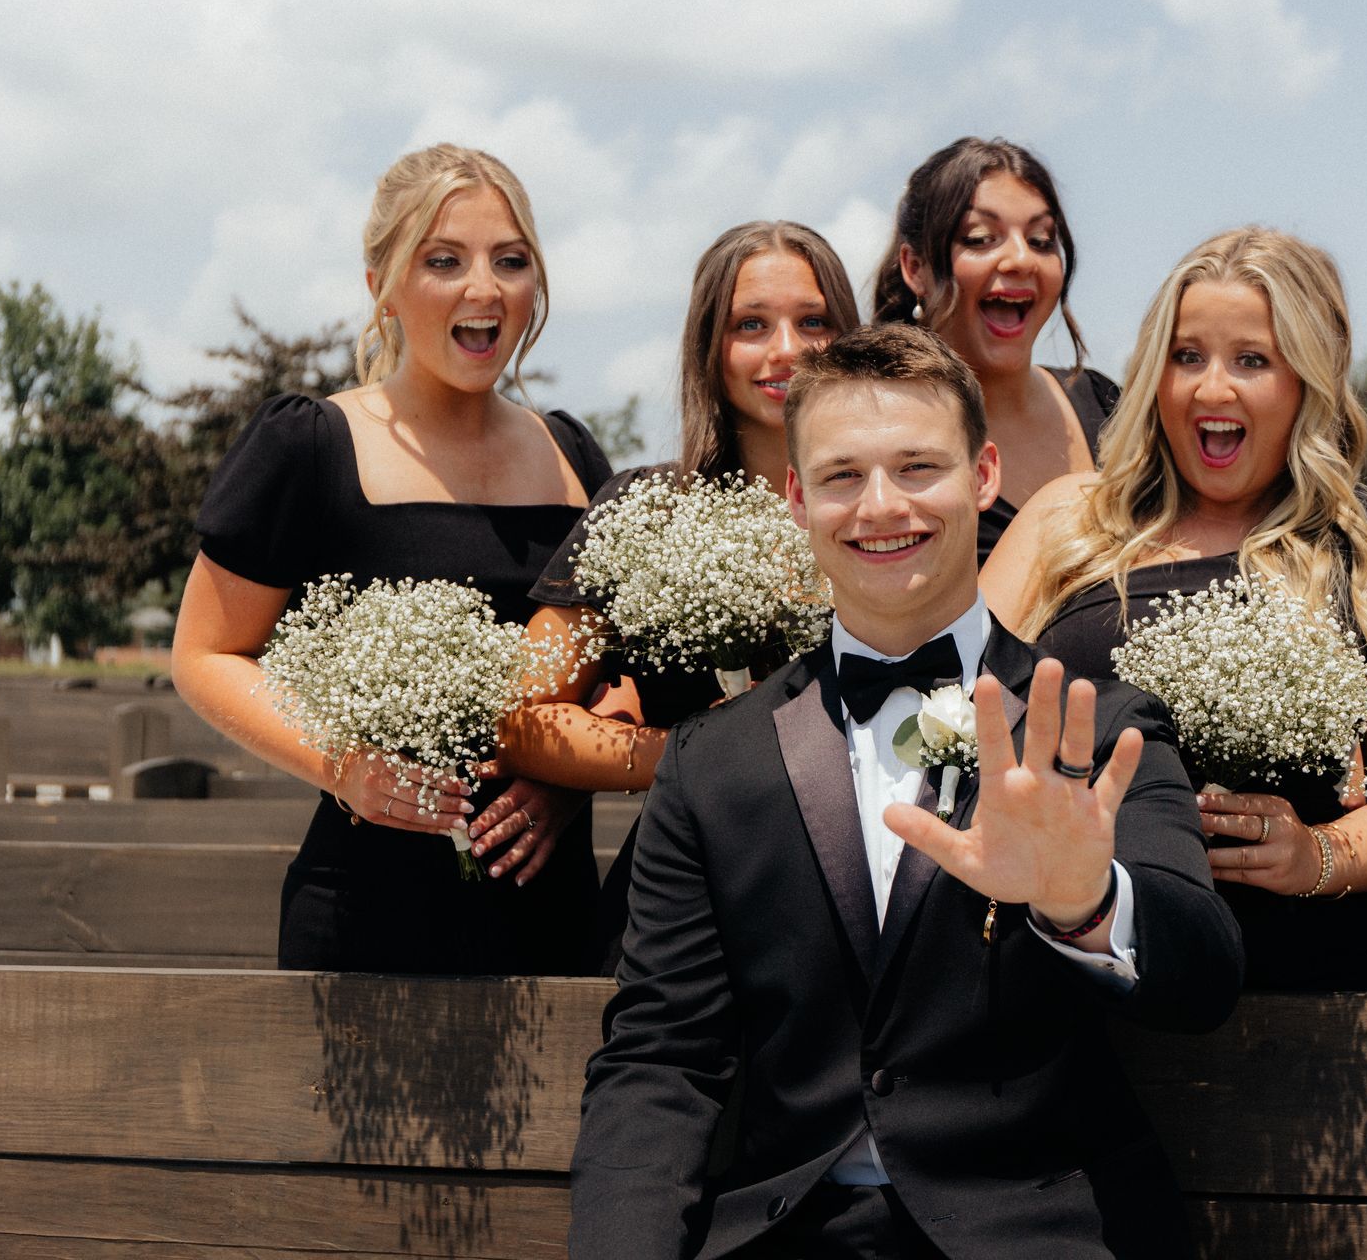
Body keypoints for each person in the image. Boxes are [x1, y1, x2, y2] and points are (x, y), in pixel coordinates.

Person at [568, 324, 1244, 1259]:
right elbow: (660, 1061)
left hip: (1037, 1234)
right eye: (843, 476)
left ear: (984, 475)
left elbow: (1203, 978)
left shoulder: (1096, 724)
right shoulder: (712, 763)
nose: (881, 507)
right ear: (798, 497)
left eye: (918, 467)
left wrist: (1083, 901)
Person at [171, 144, 614, 974]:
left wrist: (567, 779)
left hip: (551, 915)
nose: (484, 288)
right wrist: (342, 766)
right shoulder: (309, 446)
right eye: (444, 260)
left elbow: (618, 669)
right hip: (364, 915)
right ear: (382, 287)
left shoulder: (575, 457)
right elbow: (205, 654)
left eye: (510, 261)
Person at [982, 227, 1367, 992]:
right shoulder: (1066, 522)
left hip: (1291, 983)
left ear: (1306, 383)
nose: (1211, 388)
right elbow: (954, 707)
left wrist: (1319, 856)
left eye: (1252, 361)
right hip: (1062, 971)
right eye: (1187, 356)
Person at [477, 221, 859, 968]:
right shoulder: (645, 510)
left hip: (861, 896)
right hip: (688, 902)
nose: (787, 349)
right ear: (708, 348)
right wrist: (685, 754)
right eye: (751, 325)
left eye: (814, 321)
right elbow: (519, 720)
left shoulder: (896, 509)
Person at [870, 136, 1120, 564]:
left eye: (1041, 240)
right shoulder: (877, 431)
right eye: (982, 238)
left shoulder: (1106, 403)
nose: (1020, 259)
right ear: (915, 268)